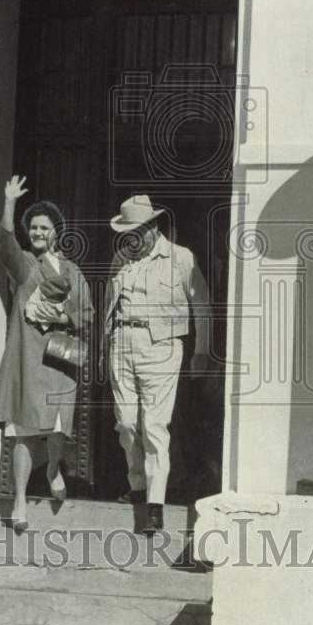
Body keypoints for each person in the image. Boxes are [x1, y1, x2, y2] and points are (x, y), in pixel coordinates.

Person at [0, 175, 93, 531]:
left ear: (56, 232)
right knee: (22, 431)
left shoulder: (74, 273)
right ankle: (19, 499)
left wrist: (63, 315)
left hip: (60, 361)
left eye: (44, 227)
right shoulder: (24, 266)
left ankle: (51, 468)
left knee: (57, 430)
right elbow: (5, 242)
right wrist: (9, 202)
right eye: (32, 227)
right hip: (28, 359)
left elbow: (87, 315)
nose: (37, 232)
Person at [104, 194, 210, 535]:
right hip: (122, 345)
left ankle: (154, 506)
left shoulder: (181, 259)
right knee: (127, 425)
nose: (131, 238)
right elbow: (110, 308)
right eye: (126, 232)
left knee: (154, 427)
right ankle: (136, 484)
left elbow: (203, 306)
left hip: (162, 348)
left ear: (152, 228)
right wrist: (106, 349)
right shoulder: (120, 259)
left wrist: (202, 351)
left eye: (137, 230)